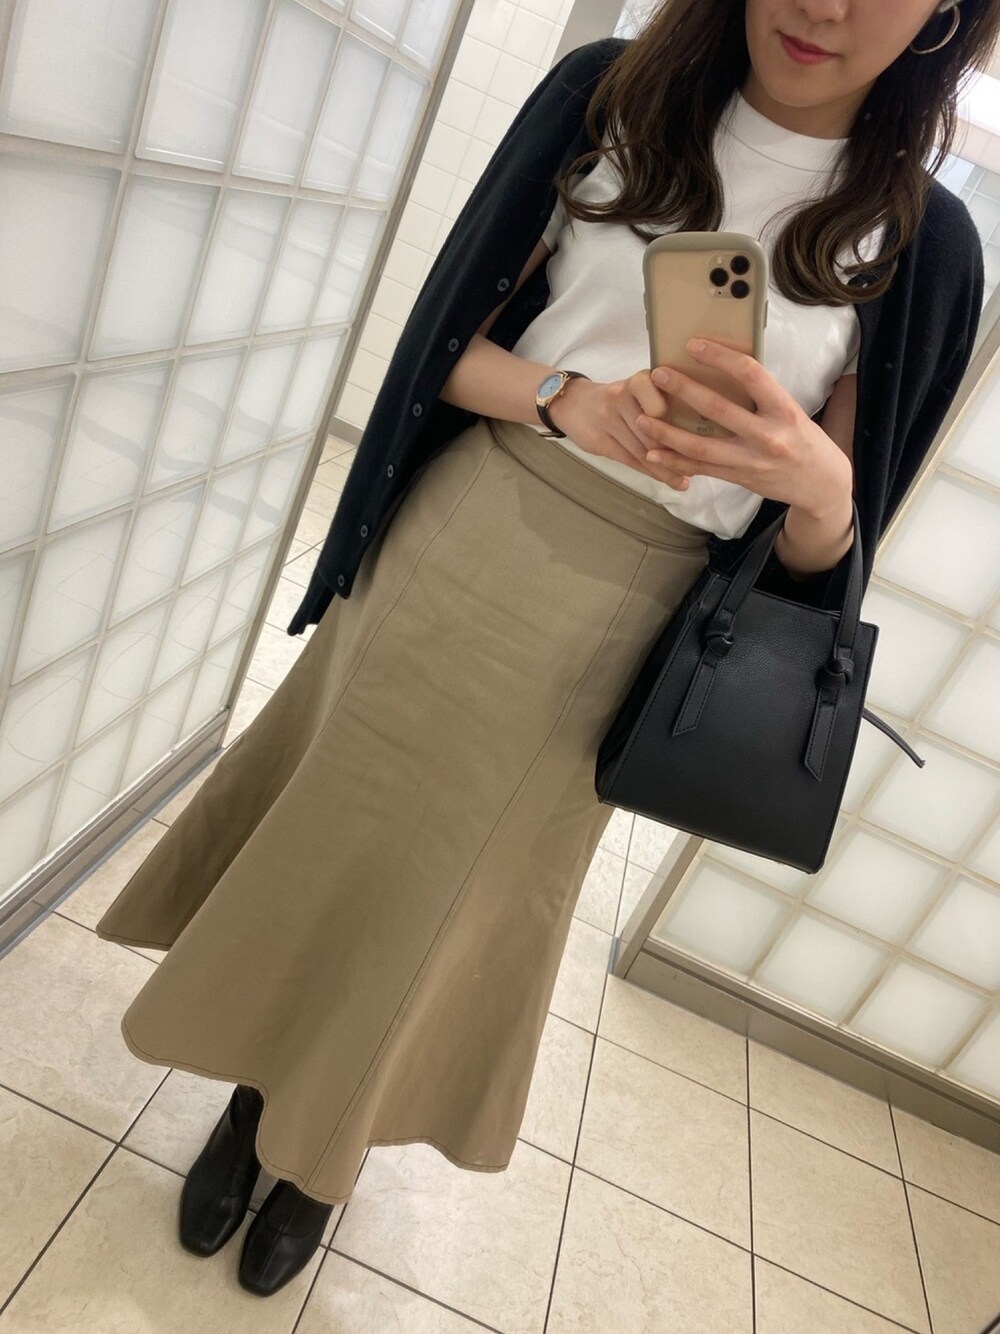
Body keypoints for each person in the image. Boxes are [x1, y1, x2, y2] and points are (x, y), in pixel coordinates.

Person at [95, 0, 991, 1299]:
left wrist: (817, 483)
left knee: (453, 906)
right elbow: (438, 349)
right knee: (334, 833)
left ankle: (321, 1158)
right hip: (470, 525)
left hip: (636, 627)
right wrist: (570, 399)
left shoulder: (918, 237)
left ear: (948, 12)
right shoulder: (610, 94)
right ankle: (253, 1100)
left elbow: (822, 565)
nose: (824, 5)